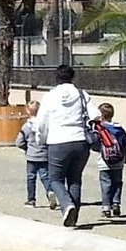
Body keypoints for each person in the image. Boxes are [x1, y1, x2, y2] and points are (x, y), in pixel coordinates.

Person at [36, 63, 97, 228]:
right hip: (80, 141)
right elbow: (95, 115)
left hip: (58, 141)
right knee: (75, 180)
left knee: (55, 179)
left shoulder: (50, 96)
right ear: (72, 77)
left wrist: (41, 139)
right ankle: (73, 216)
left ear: (56, 77)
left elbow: (41, 123)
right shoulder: (82, 94)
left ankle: (67, 205)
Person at [15, 100, 54, 210]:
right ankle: (50, 191)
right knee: (45, 176)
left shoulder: (26, 127)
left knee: (31, 177)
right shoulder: (46, 125)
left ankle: (31, 200)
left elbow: (19, 142)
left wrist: (26, 148)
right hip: (44, 155)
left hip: (31, 156)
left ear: (27, 111)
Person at [94, 102, 126, 219]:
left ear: (100, 115)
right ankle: (116, 204)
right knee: (117, 183)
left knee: (106, 183)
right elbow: (125, 143)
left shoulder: (100, 129)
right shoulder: (119, 129)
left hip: (104, 161)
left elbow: (95, 144)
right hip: (118, 161)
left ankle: (106, 207)